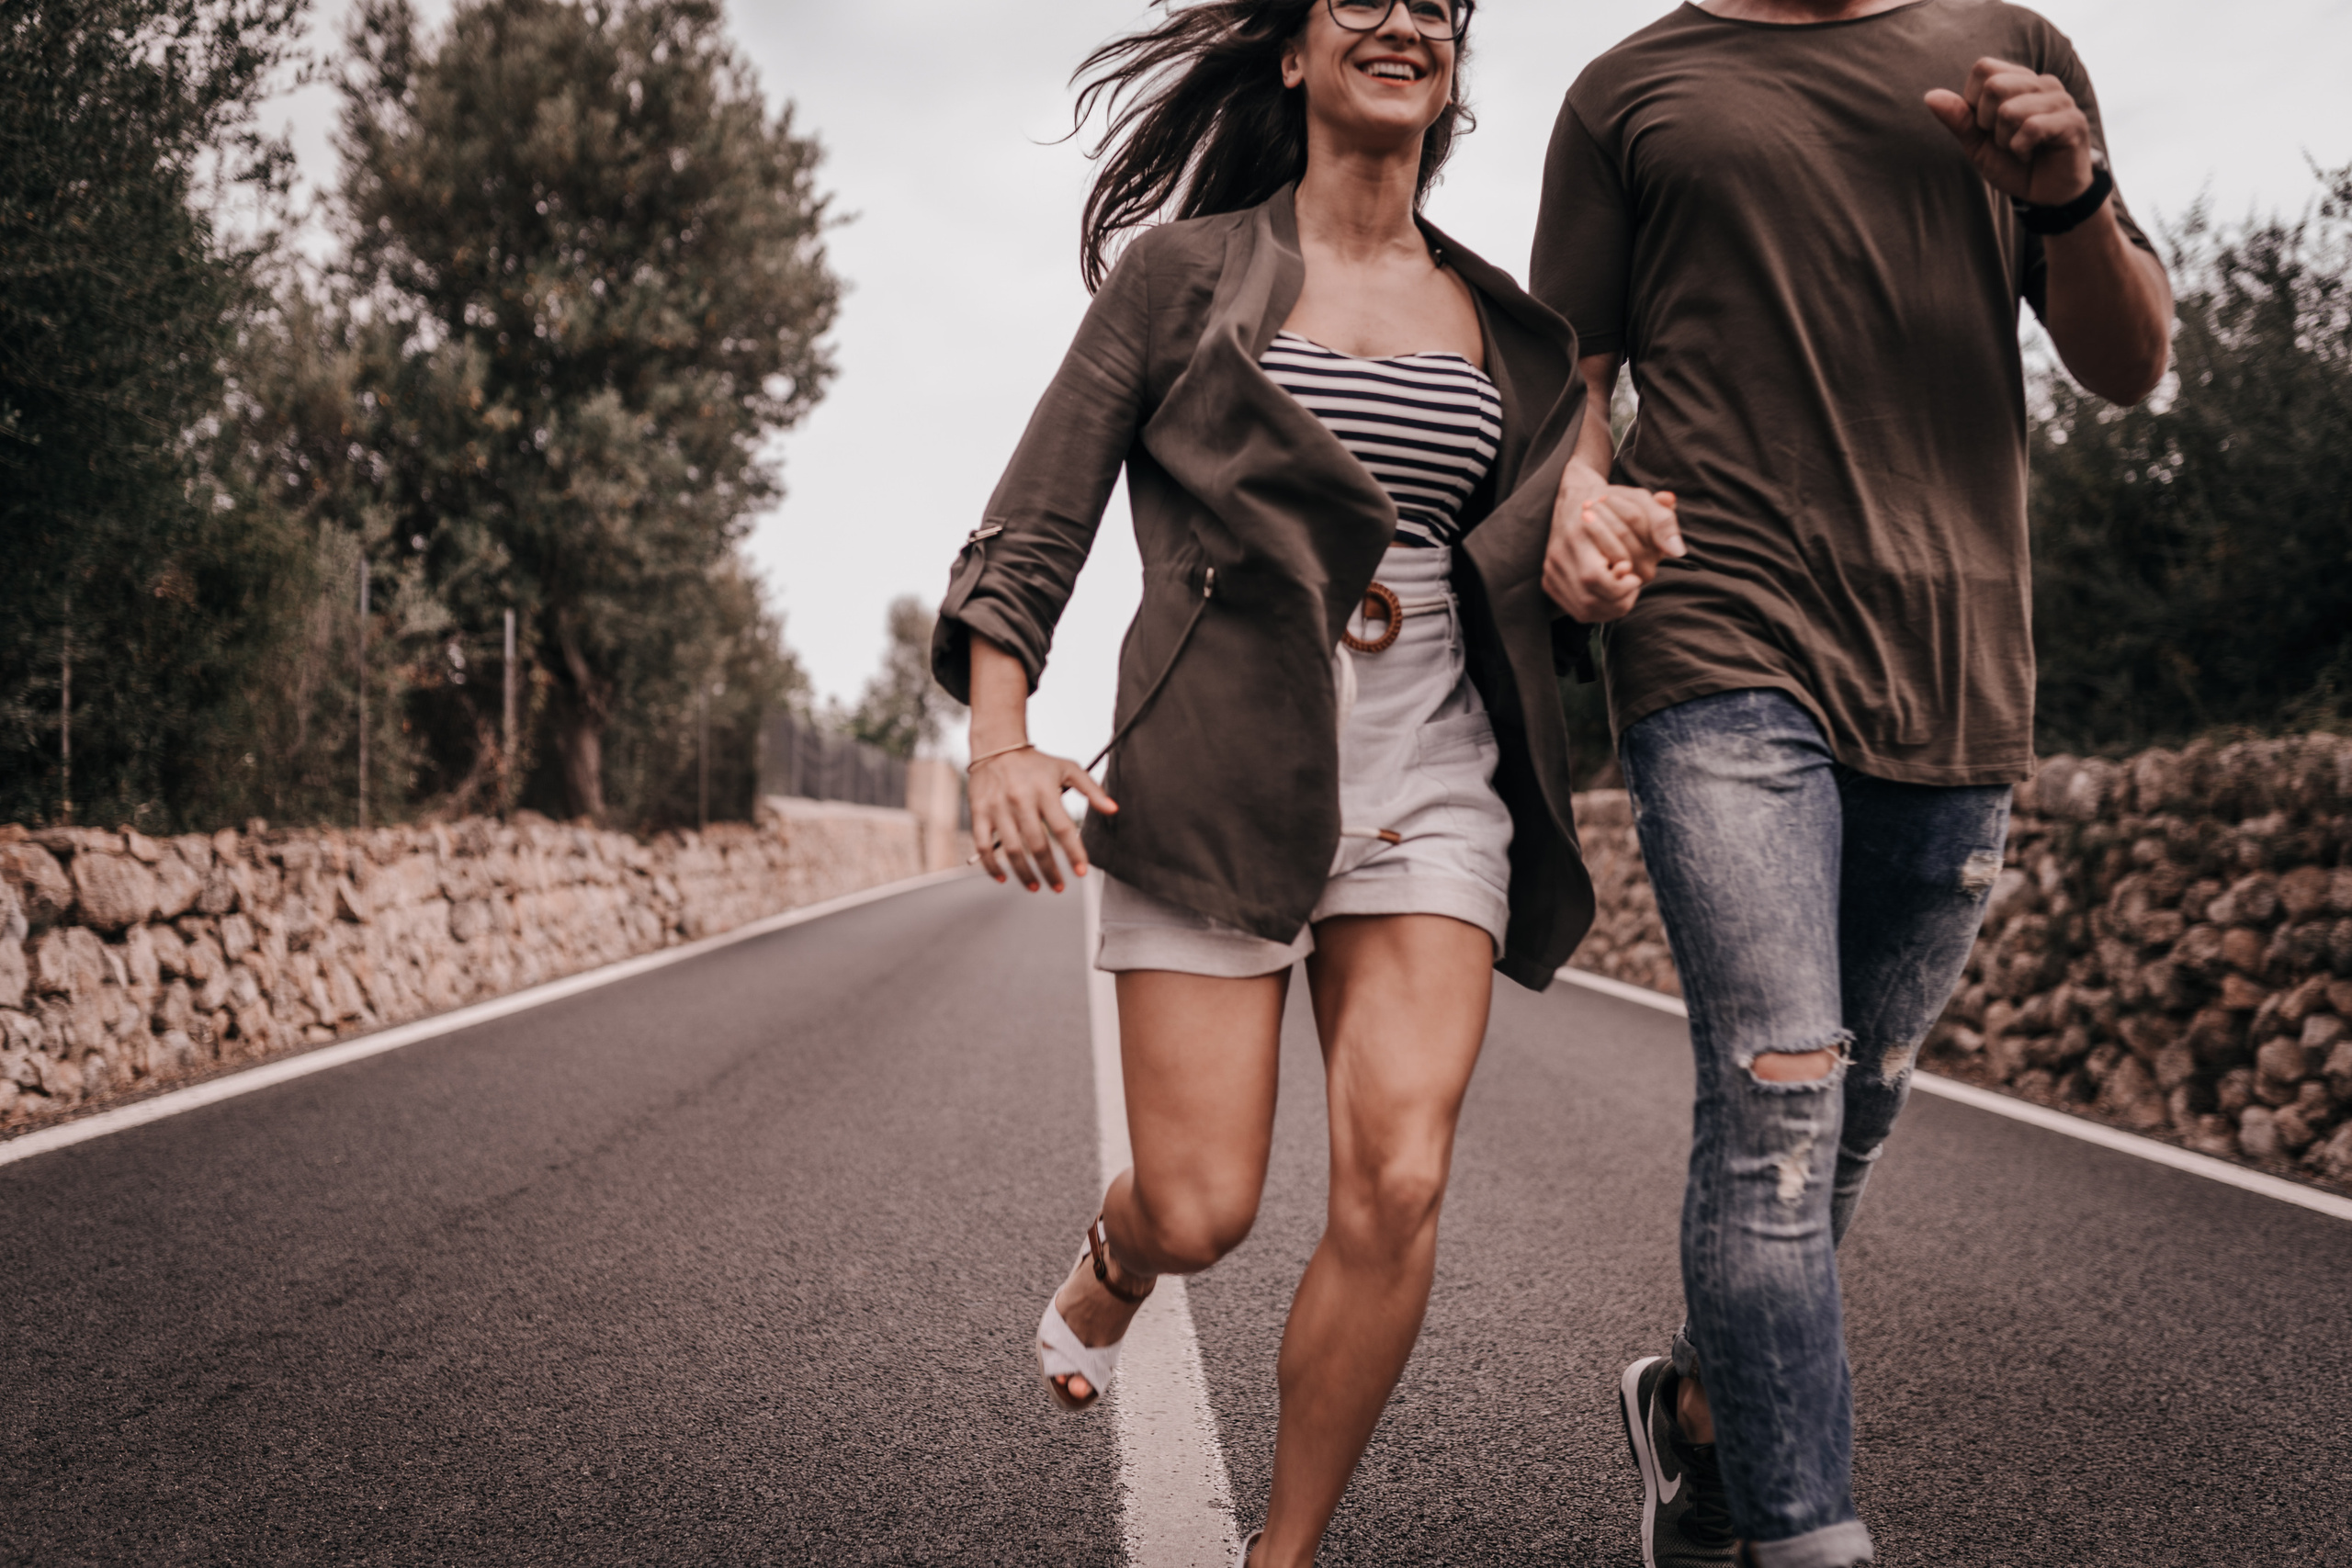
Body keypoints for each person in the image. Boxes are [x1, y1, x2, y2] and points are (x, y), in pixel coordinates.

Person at [930, 2, 1672, 1561]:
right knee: (1202, 1204)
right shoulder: (1182, 278)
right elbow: (1038, 515)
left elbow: (1546, 564)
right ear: (1294, 52)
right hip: (1215, 767)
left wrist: (1595, 565)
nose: (1402, 18)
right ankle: (1125, 1255)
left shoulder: (1512, 329)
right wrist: (1000, 738)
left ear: (1451, 63)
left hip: (1433, 764)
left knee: (1399, 1176)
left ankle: (1284, 1550)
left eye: (1435, 4)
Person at [1530, 3, 2173, 1565]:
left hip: (1955, 661)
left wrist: (2073, 197)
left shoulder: (2013, 51)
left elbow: (2130, 365)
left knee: (1850, 1115)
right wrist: (1572, 502)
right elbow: (1564, 389)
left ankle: (1706, 1425)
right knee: (1777, 1098)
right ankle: (1810, 1537)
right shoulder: (1628, 94)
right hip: (1717, 635)